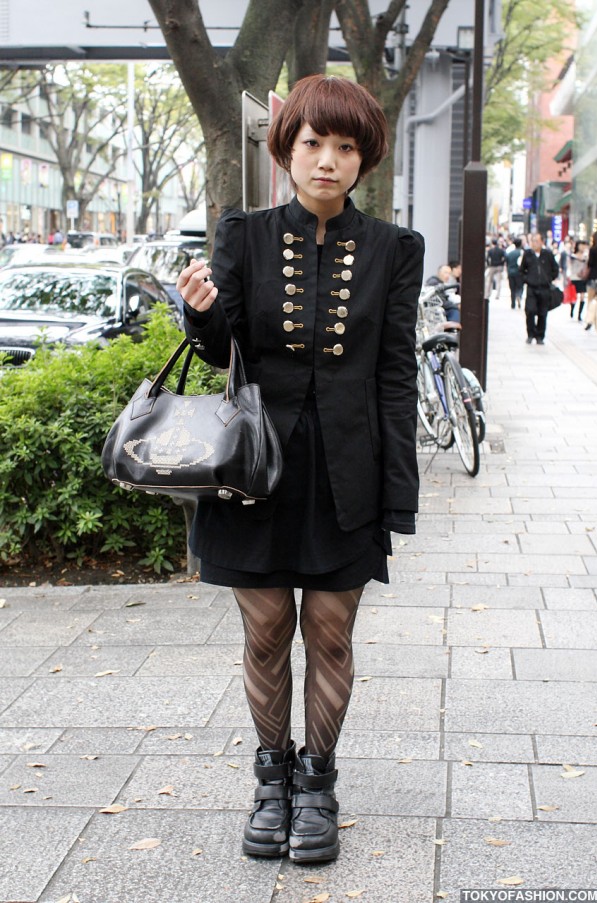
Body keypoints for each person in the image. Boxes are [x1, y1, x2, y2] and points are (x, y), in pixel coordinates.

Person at [176, 75, 423, 865]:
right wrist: (204, 312)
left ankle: (317, 783)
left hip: (347, 472)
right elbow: (224, 348)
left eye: (345, 146)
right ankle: (270, 779)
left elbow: (395, 373)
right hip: (255, 467)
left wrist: (399, 489)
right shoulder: (242, 233)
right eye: (312, 142)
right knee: (266, 629)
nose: (328, 160)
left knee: (331, 631)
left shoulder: (394, 250)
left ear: (364, 158)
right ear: (286, 150)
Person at [520, 232, 559, 345]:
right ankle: (530, 334)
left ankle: (540, 336)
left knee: (543, 312)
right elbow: (522, 270)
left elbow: (555, 269)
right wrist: (527, 279)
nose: (534, 243)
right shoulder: (528, 254)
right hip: (532, 287)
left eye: (537, 241)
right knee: (530, 310)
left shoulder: (548, 254)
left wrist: (549, 278)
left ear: (542, 242)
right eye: (533, 241)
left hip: (544, 288)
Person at [584, 230, 597, 332]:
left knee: (590, 300)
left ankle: (589, 321)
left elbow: (590, 264)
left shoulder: (593, 250)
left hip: (593, 277)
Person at [568, 240, 588, 322]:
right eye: (581, 245)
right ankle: (572, 310)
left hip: (582, 278)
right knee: (574, 297)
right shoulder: (573, 256)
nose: (582, 247)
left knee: (582, 296)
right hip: (574, 277)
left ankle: (580, 315)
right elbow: (569, 265)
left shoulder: (586, 256)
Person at [505, 237, 524, 309]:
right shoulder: (522, 253)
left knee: (512, 289)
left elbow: (507, 263)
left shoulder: (509, 253)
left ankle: (513, 304)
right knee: (520, 287)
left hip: (510, 272)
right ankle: (519, 296)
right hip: (519, 273)